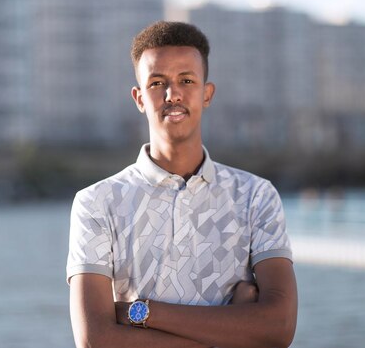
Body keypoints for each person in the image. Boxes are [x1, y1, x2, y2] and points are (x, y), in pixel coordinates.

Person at [67, 21, 297, 348]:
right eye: (157, 82)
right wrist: (236, 331)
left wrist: (140, 314)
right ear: (139, 98)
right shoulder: (97, 202)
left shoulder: (256, 196)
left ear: (207, 93)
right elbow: (95, 340)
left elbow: (280, 327)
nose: (172, 94)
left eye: (186, 80)